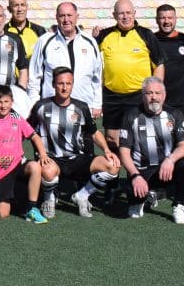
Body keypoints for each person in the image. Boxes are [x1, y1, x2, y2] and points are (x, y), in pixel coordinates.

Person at [29, 67, 119, 219]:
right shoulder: (41, 106)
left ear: (72, 84)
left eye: (68, 84)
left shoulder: (81, 107)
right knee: (48, 172)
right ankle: (49, 199)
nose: (64, 87)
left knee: (112, 166)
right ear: (53, 84)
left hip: (78, 158)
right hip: (52, 159)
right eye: (60, 83)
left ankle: (82, 196)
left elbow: (94, 132)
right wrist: (41, 153)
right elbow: (28, 131)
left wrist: (106, 150)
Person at [118, 77, 184, 224]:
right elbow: (124, 151)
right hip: (141, 171)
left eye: (158, 93)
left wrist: (170, 160)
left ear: (164, 95)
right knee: (134, 213)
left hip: (166, 170)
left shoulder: (175, 114)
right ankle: (143, 198)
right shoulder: (131, 115)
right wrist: (135, 176)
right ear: (143, 96)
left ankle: (180, 205)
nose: (154, 97)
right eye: (149, 93)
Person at [96, 0, 164, 154]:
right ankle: (113, 174)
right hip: (112, 96)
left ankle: (137, 174)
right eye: (121, 13)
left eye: (128, 13)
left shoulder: (146, 35)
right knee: (112, 139)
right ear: (114, 15)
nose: (125, 16)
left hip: (138, 96)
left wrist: (156, 92)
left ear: (134, 13)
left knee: (140, 137)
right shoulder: (104, 35)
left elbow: (159, 64)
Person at [0, 85, 48, 222]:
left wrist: (43, 154)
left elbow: (34, 136)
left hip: (17, 164)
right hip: (0, 172)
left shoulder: (17, 118)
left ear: (12, 102)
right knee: (3, 214)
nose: (3, 105)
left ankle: (32, 209)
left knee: (35, 167)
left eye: (6, 102)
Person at [153, 4, 184, 200]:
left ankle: (180, 187)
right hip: (158, 104)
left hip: (182, 103)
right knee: (157, 145)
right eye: (162, 17)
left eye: (170, 17)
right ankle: (159, 184)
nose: (166, 21)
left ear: (176, 18)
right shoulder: (151, 41)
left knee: (183, 146)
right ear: (157, 19)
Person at [30, 1, 102, 109]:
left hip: (84, 107)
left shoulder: (90, 42)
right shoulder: (44, 41)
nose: (66, 20)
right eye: (62, 16)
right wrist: (34, 104)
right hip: (52, 108)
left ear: (77, 17)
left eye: (69, 15)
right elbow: (34, 77)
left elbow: (97, 76)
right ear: (56, 18)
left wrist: (97, 103)